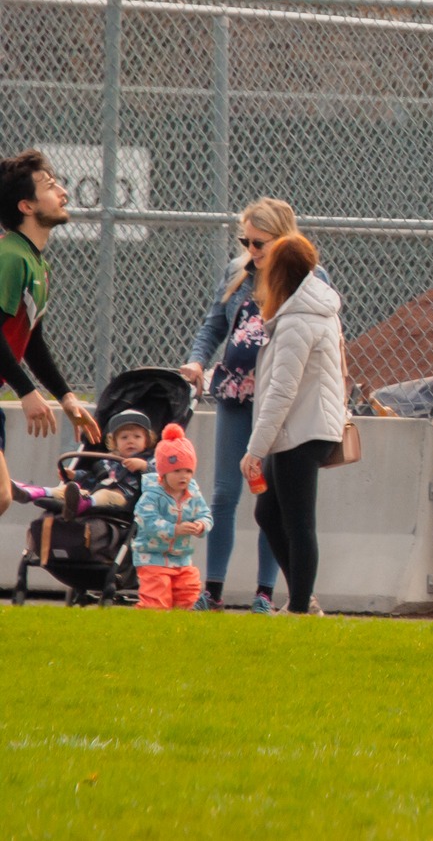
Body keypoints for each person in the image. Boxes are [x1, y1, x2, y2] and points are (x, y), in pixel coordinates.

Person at [182, 198, 331, 612]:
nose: (252, 251)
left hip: (277, 402)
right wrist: (197, 361)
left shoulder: (305, 277)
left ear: (282, 241)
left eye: (260, 243)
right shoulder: (238, 272)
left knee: (273, 500)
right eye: (246, 241)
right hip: (235, 392)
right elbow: (214, 324)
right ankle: (212, 590)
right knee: (226, 493)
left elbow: (313, 343)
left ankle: (269, 593)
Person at [241, 233, 346, 617]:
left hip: (301, 430)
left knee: (299, 522)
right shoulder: (308, 312)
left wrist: (255, 449)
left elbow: (281, 393)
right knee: (268, 513)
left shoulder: (297, 321)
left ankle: (301, 608)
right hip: (304, 428)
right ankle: (303, 600)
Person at [0, 151, 101, 521]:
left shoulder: (36, 261)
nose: (63, 192)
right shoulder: (10, 258)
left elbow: (32, 341)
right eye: (50, 185)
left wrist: (66, 397)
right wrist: (27, 393)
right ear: (26, 205)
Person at [132, 423, 212, 610]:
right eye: (177, 471)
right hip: (152, 558)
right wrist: (174, 529)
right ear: (163, 472)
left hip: (182, 559)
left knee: (189, 597)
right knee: (155, 601)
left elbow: (205, 514)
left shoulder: (193, 492)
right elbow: (147, 522)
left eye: (188, 471)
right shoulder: (152, 494)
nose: (183, 476)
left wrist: (201, 525)